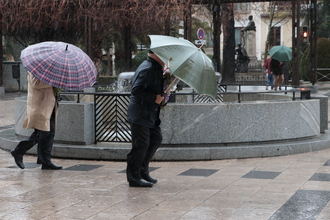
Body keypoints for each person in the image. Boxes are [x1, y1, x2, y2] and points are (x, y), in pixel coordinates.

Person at [126, 50, 165, 187]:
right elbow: (136, 90)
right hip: (140, 113)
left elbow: (153, 89)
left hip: (149, 114)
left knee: (155, 139)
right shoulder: (148, 68)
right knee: (140, 145)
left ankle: (142, 171)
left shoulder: (155, 68)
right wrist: (155, 98)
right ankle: (133, 177)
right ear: (156, 54)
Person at [11, 72, 62, 170]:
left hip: (50, 108)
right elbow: (36, 83)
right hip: (40, 108)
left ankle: (45, 161)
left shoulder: (48, 70)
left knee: (49, 134)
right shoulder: (34, 70)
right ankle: (19, 151)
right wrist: (54, 81)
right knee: (40, 135)